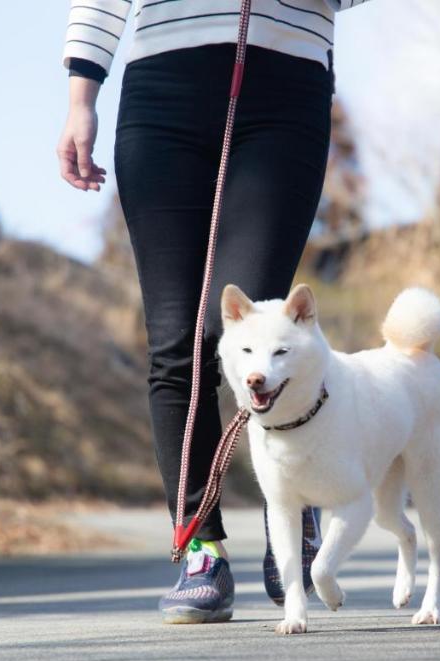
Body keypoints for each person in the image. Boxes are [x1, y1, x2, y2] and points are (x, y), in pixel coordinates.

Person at [57, 0, 372, 623]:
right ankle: (201, 549)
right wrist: (80, 100)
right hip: (162, 94)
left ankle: (294, 501)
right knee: (179, 343)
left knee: (248, 331)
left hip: (285, 90)